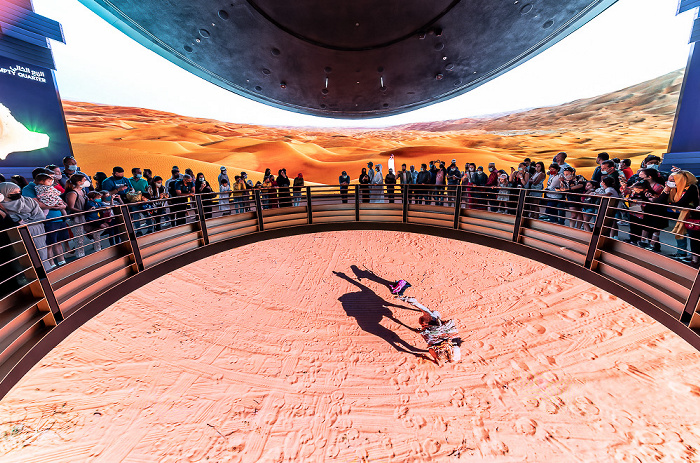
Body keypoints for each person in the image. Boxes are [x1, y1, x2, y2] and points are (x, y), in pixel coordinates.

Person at [0, 182, 52, 269]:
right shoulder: (1, 207)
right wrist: (21, 220)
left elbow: (40, 216)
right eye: (13, 193)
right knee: (21, 258)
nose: (17, 195)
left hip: (37, 233)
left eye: (18, 192)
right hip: (15, 237)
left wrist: (22, 221)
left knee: (40, 253)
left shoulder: (28, 201)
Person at [397, 296, 460, 365]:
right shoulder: (429, 330)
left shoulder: (433, 323)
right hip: (437, 338)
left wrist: (408, 300)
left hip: (442, 337)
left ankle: (436, 359)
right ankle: (435, 359)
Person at [655, 170, 699, 263]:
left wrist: (670, 204)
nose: (669, 182)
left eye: (672, 181)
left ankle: (692, 256)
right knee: (680, 233)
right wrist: (666, 189)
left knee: (692, 236)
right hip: (680, 215)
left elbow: (681, 204)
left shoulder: (691, 188)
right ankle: (681, 252)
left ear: (680, 180)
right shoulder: (673, 188)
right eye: (668, 180)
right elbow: (659, 202)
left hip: (692, 216)